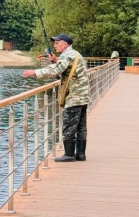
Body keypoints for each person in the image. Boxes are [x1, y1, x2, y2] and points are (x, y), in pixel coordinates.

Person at [22, 33, 89, 162]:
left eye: (57, 43)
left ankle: (69, 154)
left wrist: (35, 72)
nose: (55, 45)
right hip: (83, 95)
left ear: (65, 44)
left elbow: (55, 71)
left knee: (69, 125)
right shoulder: (75, 54)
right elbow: (66, 69)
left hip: (74, 96)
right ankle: (80, 154)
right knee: (81, 126)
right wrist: (55, 60)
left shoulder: (67, 55)